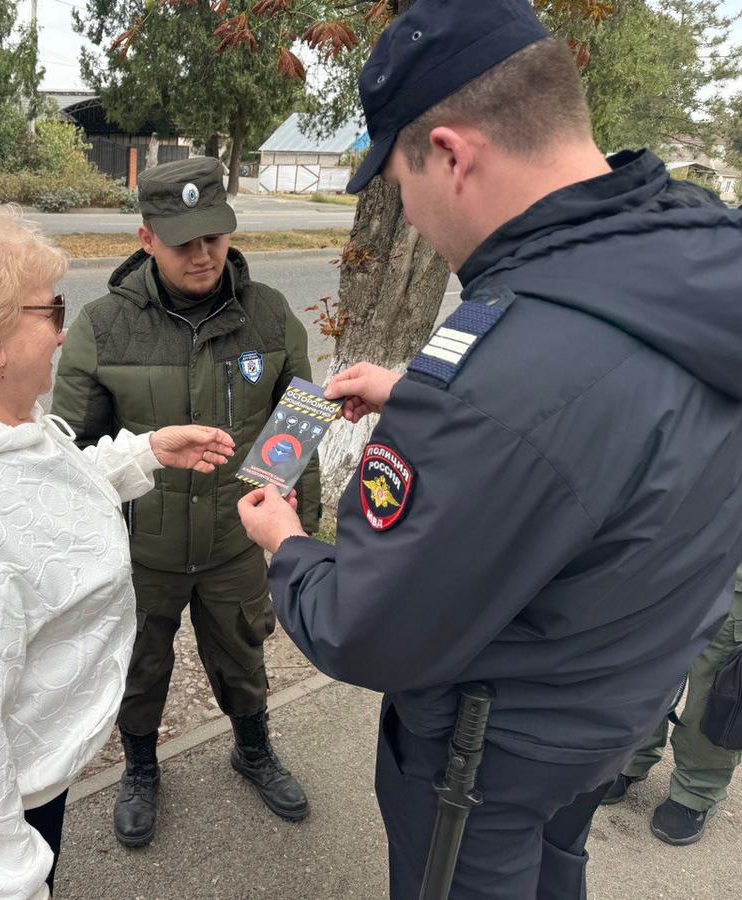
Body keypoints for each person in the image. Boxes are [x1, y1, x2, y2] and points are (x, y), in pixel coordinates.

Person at [235, 1, 742, 897]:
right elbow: (611, 431)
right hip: (612, 701)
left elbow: (368, 626)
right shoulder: (693, 251)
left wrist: (286, 543)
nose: (412, 216)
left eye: (398, 182)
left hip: (487, 761)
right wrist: (430, 402)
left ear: (452, 153)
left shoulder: (504, 368)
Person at [0, 198, 235, 900]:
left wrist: (144, 454)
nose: (62, 335)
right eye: (51, 313)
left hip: (32, 752)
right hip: (8, 777)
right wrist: (10, 888)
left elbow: (42, 497)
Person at [51, 156, 322, 848]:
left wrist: (303, 537)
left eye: (215, 237)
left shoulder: (267, 316)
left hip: (234, 542)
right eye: (183, 241)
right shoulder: (104, 328)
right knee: (140, 666)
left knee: (243, 654)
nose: (203, 255)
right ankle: (140, 768)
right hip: (143, 551)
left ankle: (252, 747)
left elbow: (300, 428)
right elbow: (69, 457)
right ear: (146, 239)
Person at [602, 563, 742, 845]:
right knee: (648, 661)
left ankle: (698, 788)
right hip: (678, 552)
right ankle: (632, 756)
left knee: (719, 686)